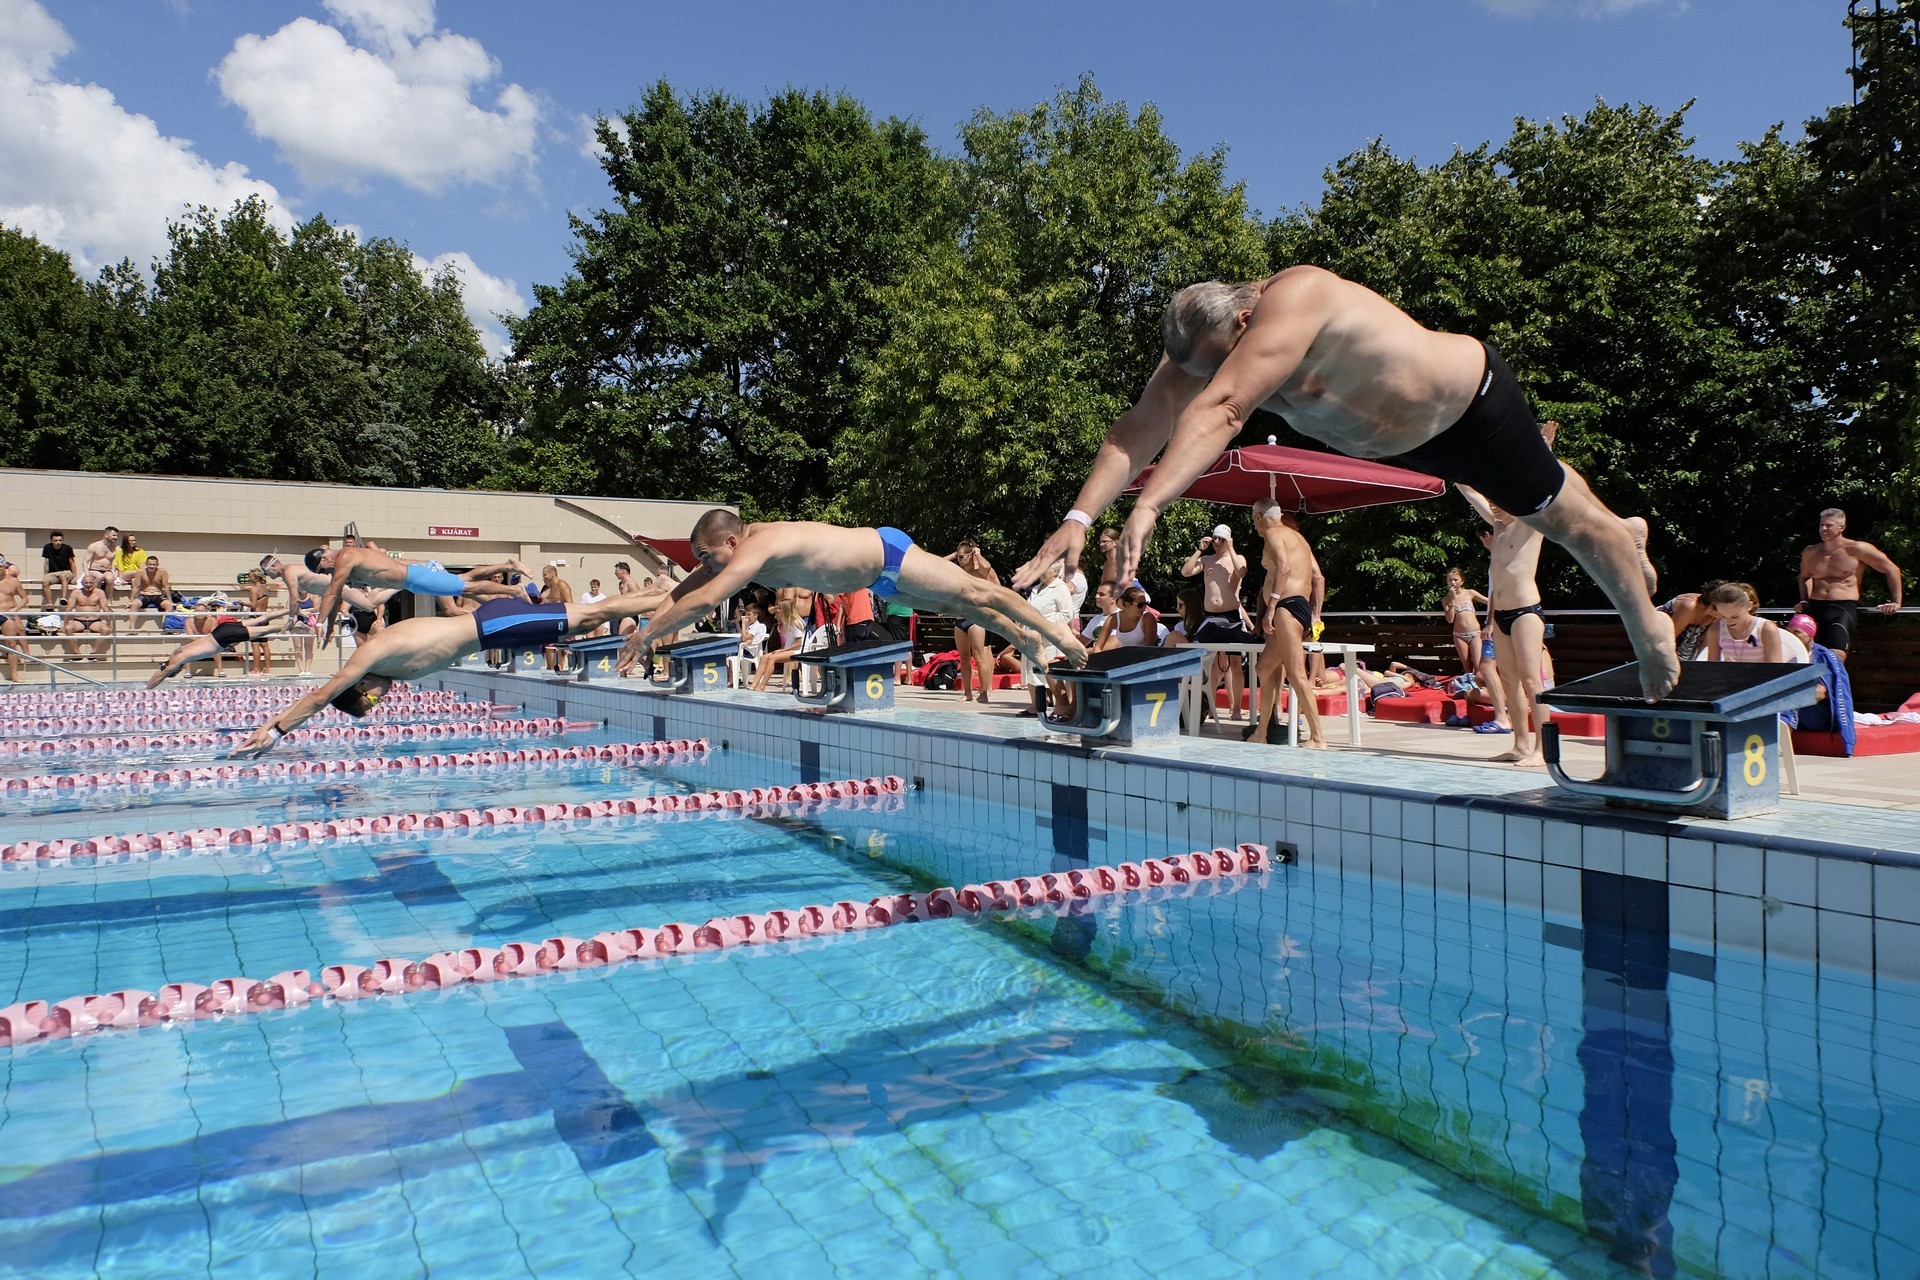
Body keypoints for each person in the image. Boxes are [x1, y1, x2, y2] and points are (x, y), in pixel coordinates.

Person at [1016, 266, 1675, 700]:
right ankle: (1625, 533)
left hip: (1470, 410)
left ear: (1243, 322)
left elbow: (1227, 408)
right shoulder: (1201, 343)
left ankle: (1647, 628)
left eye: (1218, 365)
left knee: (1562, 522)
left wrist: (1152, 504)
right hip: (1422, 448)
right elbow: (1139, 426)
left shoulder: (1298, 296)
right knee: (1555, 498)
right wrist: (1078, 518)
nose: (1211, 377)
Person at [620, 513, 1088, 679]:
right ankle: (1022, 637)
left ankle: (1054, 634)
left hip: (887, 553)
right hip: (877, 580)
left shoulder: (755, 548)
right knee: (957, 607)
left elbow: (704, 601)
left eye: (707, 557)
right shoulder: (736, 554)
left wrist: (647, 638)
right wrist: (647, 629)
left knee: (976, 590)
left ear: (730, 541)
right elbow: (683, 592)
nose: (706, 567)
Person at [232, 594, 667, 755]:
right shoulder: (388, 670)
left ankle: (671, 594)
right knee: (588, 623)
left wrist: (275, 731)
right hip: (496, 630)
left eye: (373, 698)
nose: (383, 697)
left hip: (493, 625)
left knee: (594, 614)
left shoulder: (369, 657)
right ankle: (663, 596)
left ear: (361, 686)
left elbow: (320, 697)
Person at [1460, 467, 1552, 766]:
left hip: (1526, 612)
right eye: (1492, 501)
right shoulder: (1497, 526)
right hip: (1501, 615)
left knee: (1531, 681)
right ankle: (1521, 745)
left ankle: (1542, 750)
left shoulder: (1530, 523)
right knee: (1509, 681)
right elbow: (1469, 491)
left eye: (1498, 500)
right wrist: (1446, 462)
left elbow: (1540, 484)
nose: (1493, 506)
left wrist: (1540, 452)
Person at [309, 546, 528, 648]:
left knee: (465, 588)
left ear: (325, 558)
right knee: (464, 582)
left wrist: (319, 622)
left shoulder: (346, 556)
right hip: (412, 582)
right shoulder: (346, 563)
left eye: (322, 569)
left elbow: (331, 591)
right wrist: (329, 628)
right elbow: (335, 596)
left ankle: (514, 590)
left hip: (414, 576)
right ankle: (507, 570)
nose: (326, 573)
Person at [1244, 501, 1327, 748]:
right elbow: (1318, 577)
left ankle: (1318, 738)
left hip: (1286, 608)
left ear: (1259, 517)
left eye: (1253, 518)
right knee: (1263, 668)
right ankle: (1261, 732)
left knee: (1297, 674)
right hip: (1297, 606)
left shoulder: (1273, 534)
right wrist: (1315, 615)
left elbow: (1283, 567)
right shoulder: (1299, 539)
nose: (1254, 524)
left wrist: (1271, 607)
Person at [1798, 507, 1904, 662]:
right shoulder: (1811, 552)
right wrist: (1804, 600)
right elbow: (1804, 577)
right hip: (1815, 607)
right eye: (1821, 525)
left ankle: (1833, 678)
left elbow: (1891, 569)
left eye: (1829, 525)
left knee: (1835, 656)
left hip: (1842, 608)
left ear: (1842, 527)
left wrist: (1896, 601)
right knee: (1805, 654)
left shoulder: (1857, 549)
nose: (1823, 529)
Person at [147, 609, 294, 687]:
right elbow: (160, 671)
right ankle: (292, 610)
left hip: (223, 638)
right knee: (262, 619)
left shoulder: (176, 661)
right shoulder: (175, 653)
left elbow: (161, 675)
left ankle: (297, 625)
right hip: (221, 630)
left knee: (268, 629)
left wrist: (146, 689)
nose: (177, 671)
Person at [1702, 582, 1786, 663]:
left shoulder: (1766, 629)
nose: (1728, 621)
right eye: (1723, 616)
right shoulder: (1716, 630)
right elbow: (1713, 665)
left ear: (1749, 606)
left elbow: (1775, 666)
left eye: (1735, 616)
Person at [1655, 583, 1722, 663]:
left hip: (1683, 654)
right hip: (1658, 641)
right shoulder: (1689, 607)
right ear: (1712, 606)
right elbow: (1667, 639)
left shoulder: (1716, 616)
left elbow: (1703, 646)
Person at [1441, 566, 1487, 675]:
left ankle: (1479, 683)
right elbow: (1450, 619)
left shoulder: (1470, 593)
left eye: (1455, 580)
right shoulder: (1446, 599)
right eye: (1450, 580)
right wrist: (1452, 601)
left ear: (1462, 581)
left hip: (1475, 633)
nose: (1453, 583)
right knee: (1467, 667)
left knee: (1478, 665)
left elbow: (1489, 602)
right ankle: (1469, 683)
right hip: (1459, 635)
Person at [60, 573, 112, 660]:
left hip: (95, 621)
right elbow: (69, 609)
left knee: (106, 630)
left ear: (94, 583)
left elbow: (105, 609)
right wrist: (65, 624)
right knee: (68, 629)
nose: (88, 585)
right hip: (79, 620)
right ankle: (77, 653)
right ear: (82, 583)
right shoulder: (76, 592)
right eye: (86, 583)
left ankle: (93, 652)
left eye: (90, 582)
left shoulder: (100, 593)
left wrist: (109, 624)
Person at [1092, 585, 1161, 651]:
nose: (1144, 608)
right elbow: (1098, 647)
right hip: (1123, 656)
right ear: (1128, 605)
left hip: (1142, 657)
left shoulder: (1148, 618)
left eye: (1145, 604)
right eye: (1140, 605)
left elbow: (1149, 649)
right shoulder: (1114, 618)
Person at [128, 554, 176, 631]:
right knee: (134, 604)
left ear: (157, 565)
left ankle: (167, 628)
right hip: (144, 595)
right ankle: (132, 628)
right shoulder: (140, 572)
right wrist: (131, 601)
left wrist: (170, 601)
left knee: (169, 605)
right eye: (150, 564)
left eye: (154, 565)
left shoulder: (162, 572)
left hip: (157, 595)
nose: (152, 566)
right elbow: (136, 587)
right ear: (146, 564)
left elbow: (166, 587)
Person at [0, 563, 28, 682]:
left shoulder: (13, 581)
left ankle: (14, 674)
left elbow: (25, 599)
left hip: (6, 614)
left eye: (0, 567)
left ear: (4, 568)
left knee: (12, 644)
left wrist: (15, 609)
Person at [39, 532, 76, 608]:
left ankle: (63, 598)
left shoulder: (67, 548)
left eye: (60, 540)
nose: (58, 542)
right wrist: (45, 575)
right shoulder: (47, 547)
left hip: (66, 571)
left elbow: (72, 563)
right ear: (51, 541)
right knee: (45, 581)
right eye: (55, 540)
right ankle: (49, 603)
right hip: (53, 572)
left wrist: (74, 577)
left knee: (63, 576)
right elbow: (46, 563)